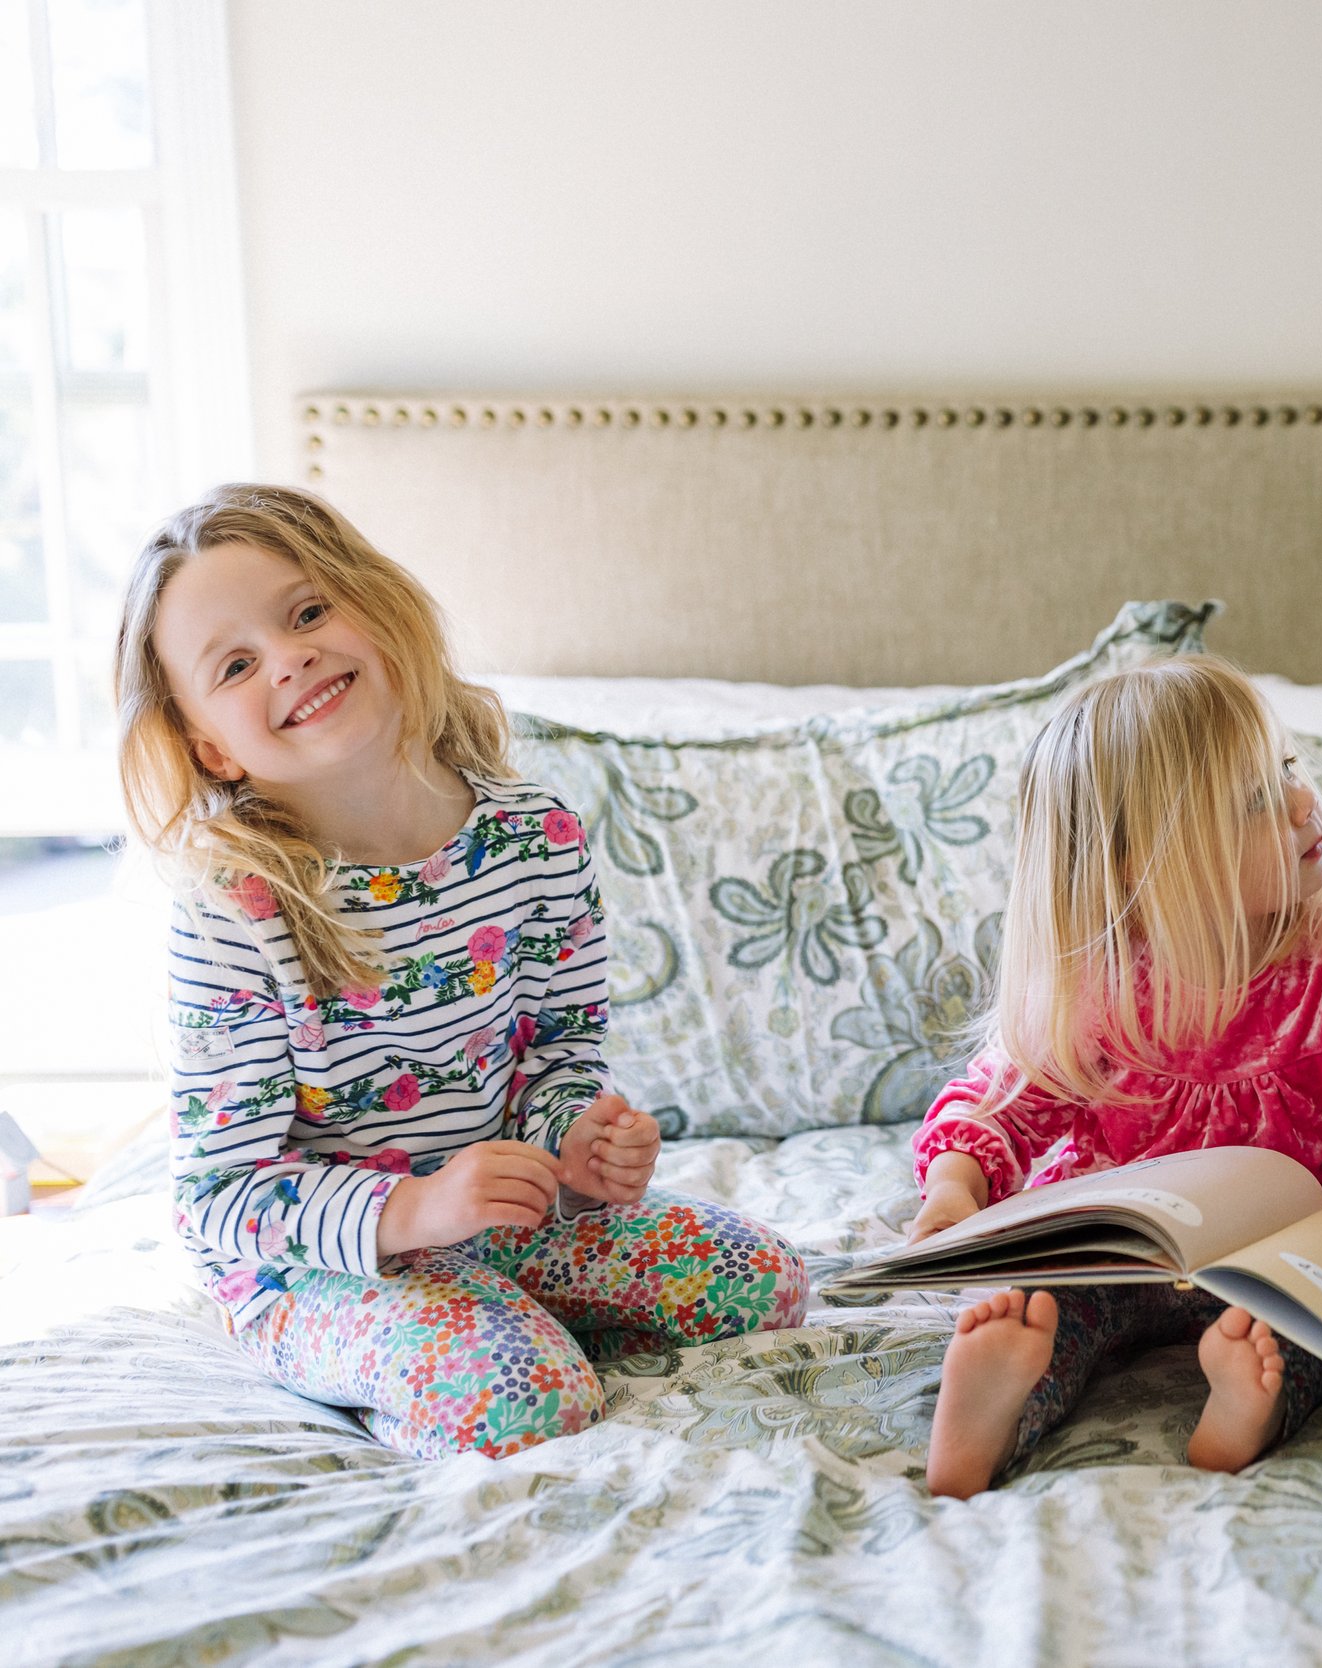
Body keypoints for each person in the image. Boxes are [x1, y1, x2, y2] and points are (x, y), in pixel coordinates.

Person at [117, 484, 811, 1459]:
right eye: (236, 665)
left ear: (378, 607)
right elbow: (222, 1195)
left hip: (505, 1216)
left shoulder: (537, 839)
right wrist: (414, 1213)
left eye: (309, 611)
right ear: (211, 748)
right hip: (315, 1262)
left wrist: (578, 1144)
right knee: (536, 1405)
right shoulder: (234, 907)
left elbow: (561, 1051)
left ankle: (494, 1307)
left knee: (770, 1283)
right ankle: (406, 1348)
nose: (291, 656)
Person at [908, 658, 1322, 1497]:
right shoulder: (1100, 980)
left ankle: (1240, 1412)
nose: (1300, 802)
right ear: (1142, 864)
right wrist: (954, 1192)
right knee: (1045, 1304)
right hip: (1129, 1255)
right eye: (1255, 800)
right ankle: (992, 1416)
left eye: (1283, 769)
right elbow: (1001, 1100)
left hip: (1290, 1253)